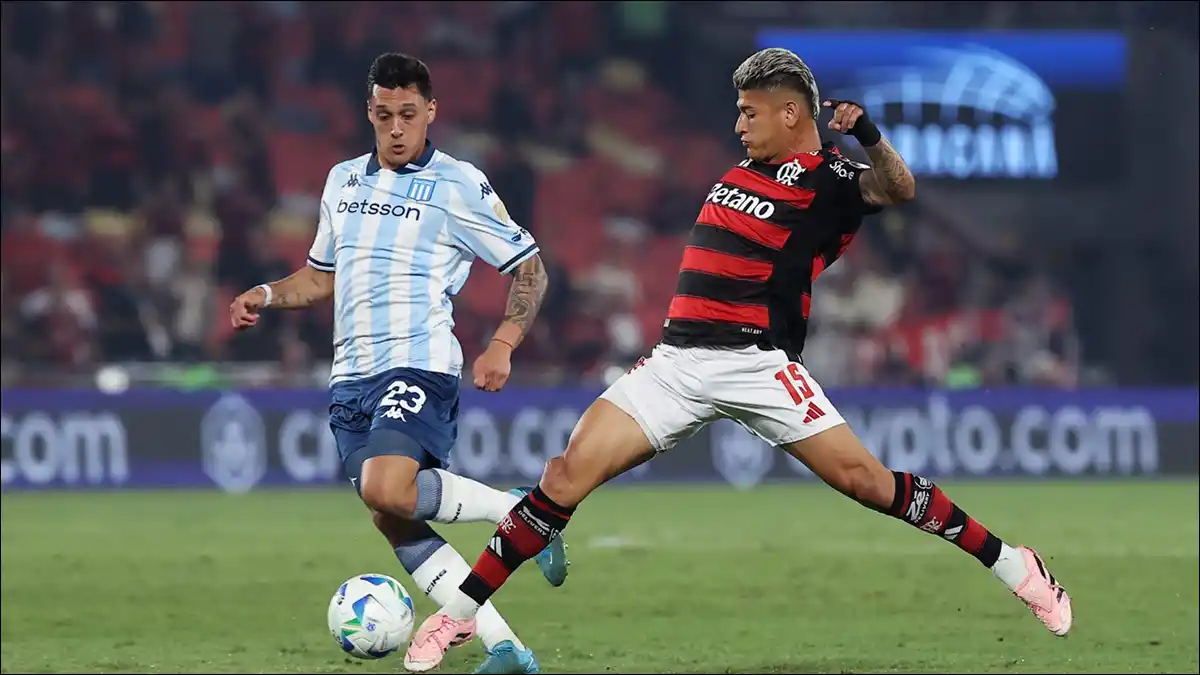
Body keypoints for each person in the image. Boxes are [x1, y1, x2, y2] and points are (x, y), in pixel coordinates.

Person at [405, 47, 1073, 670]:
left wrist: (866, 135)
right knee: (564, 473)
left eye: (750, 112)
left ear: (792, 114)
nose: (738, 123)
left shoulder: (831, 178)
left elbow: (897, 189)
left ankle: (1017, 566)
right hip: (675, 363)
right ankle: (459, 614)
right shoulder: (737, 175)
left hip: (758, 365)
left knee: (870, 483)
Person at [228, 52, 564, 675]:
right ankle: (506, 649)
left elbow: (529, 268)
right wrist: (269, 294)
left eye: (409, 114)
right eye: (385, 116)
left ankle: (523, 513)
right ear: (369, 114)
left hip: (418, 362)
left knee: (389, 486)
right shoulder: (341, 181)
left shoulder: (459, 184)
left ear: (431, 112)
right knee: (390, 514)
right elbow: (320, 277)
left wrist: (503, 343)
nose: (397, 129)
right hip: (349, 378)